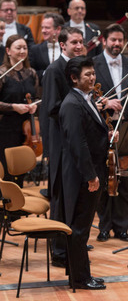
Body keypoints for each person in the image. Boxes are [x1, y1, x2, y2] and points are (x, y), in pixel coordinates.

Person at [60, 56, 114, 290]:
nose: (93, 78)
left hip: (91, 170)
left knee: (82, 227)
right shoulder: (72, 103)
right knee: (80, 228)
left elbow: (91, 133)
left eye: (93, 73)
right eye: (87, 75)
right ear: (74, 78)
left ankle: (81, 274)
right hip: (83, 175)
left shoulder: (86, 98)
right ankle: (80, 279)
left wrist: (108, 136)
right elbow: (77, 143)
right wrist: (91, 176)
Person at [94, 23, 128, 242]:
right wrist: (105, 103)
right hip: (103, 128)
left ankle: (122, 227)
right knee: (104, 179)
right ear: (104, 41)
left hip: (127, 128)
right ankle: (104, 226)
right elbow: (88, 98)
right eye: (113, 40)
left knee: (125, 181)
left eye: (120, 40)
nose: (117, 44)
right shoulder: (93, 65)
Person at [40, 27, 85, 267]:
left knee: (75, 197)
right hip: (60, 143)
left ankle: (72, 243)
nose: (79, 46)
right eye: (74, 42)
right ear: (62, 45)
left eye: (81, 42)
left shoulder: (79, 70)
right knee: (60, 197)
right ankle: (58, 251)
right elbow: (51, 107)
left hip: (75, 142)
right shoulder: (54, 70)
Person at [0, 34, 39, 186]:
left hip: (26, 128)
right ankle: (5, 204)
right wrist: (13, 107)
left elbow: (35, 97)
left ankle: (19, 205)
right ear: (8, 51)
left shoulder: (32, 73)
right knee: (6, 167)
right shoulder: (2, 74)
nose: (22, 51)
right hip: (6, 127)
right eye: (18, 48)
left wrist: (34, 105)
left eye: (25, 48)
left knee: (21, 166)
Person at [29, 13, 65, 84]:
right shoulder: (35, 49)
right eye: (42, 27)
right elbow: (31, 73)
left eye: (47, 28)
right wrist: (47, 73)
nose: (43, 31)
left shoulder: (67, 47)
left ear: (58, 29)